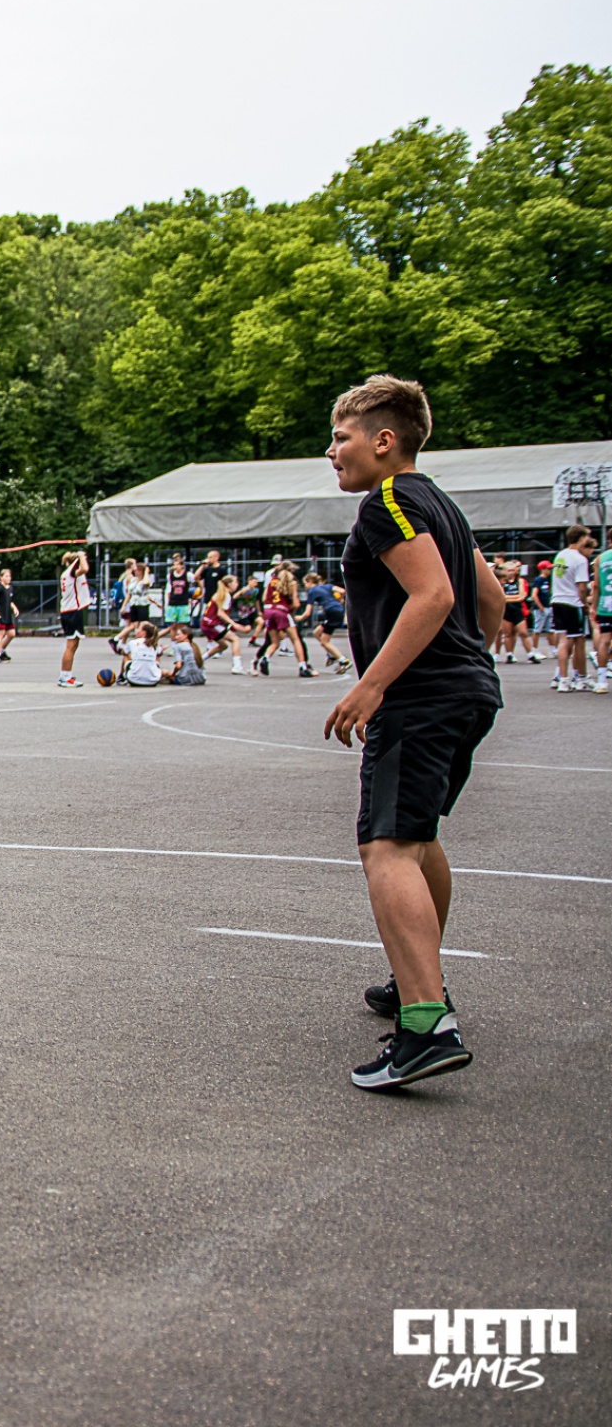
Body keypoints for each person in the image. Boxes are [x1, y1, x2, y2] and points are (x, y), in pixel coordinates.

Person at [320, 375, 500, 1093]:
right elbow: (488, 598)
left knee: (386, 847)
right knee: (418, 840)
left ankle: (426, 1024)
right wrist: (468, 667)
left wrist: (372, 685)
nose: (332, 451)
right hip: (464, 692)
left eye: (341, 437)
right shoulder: (440, 504)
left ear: (383, 440)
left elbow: (434, 595)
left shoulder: (386, 501)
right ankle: (414, 980)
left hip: (421, 698)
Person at [547, 526, 596, 691]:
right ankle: (581, 677)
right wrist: (585, 604)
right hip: (572, 602)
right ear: (581, 538)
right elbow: (581, 586)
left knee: (563, 641)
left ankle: (563, 679)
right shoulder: (580, 559)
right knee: (579, 641)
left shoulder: (560, 555)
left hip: (558, 600)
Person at [299, 571, 351, 673]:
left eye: (305, 583)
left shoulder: (312, 591)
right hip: (337, 610)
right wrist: (340, 600)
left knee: (324, 641)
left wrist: (299, 618)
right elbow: (342, 591)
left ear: (309, 581)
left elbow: (307, 612)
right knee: (316, 632)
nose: (305, 586)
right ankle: (331, 654)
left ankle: (344, 661)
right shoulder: (327, 586)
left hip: (332, 612)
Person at [57, 550, 91, 687]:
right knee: (71, 646)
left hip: (70, 611)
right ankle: (65, 677)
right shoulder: (72, 572)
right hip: (71, 612)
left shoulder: (68, 573)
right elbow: (85, 568)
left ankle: (67, 675)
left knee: (74, 645)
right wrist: (82, 556)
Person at [0, 568, 18, 661]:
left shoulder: (10, 588)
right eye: (6, 576)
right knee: (0, 635)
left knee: (11, 634)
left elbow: (10, 601)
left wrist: (14, 608)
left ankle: (1, 650)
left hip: (8, 615)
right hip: (1, 614)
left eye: (9, 576)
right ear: (1, 577)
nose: (8, 578)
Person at [595, 536, 612, 693]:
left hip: (606, 604)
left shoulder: (601, 558)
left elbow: (597, 585)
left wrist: (593, 606)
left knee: (604, 641)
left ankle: (601, 681)